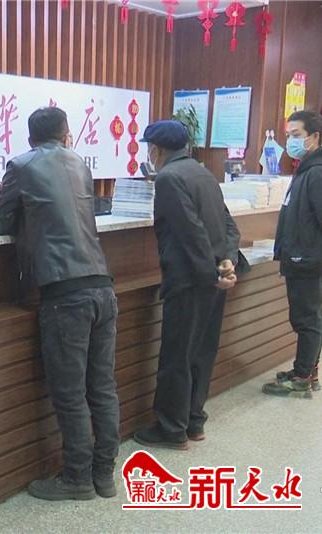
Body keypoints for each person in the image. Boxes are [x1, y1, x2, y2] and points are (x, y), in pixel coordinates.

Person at [0, 107, 119, 501]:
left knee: (69, 392)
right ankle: (104, 475)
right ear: (67, 134)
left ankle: (77, 478)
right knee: (102, 387)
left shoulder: (21, 165)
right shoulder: (79, 163)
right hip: (102, 286)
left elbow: (0, 223)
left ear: (30, 138)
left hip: (65, 293)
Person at [133, 120, 241, 451]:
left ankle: (171, 428)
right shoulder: (203, 173)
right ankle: (194, 420)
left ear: (155, 149)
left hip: (188, 280)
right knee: (201, 352)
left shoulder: (168, 178)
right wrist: (226, 261)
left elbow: (189, 232)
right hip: (212, 277)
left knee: (177, 355)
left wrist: (211, 274)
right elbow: (228, 224)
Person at [262, 110, 322, 398]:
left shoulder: (316, 173)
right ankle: (308, 370)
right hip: (301, 256)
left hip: (307, 260)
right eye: (288, 135)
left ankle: (302, 377)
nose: (290, 141)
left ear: (315, 137)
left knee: (306, 320)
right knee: (308, 318)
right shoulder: (306, 170)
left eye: (296, 135)